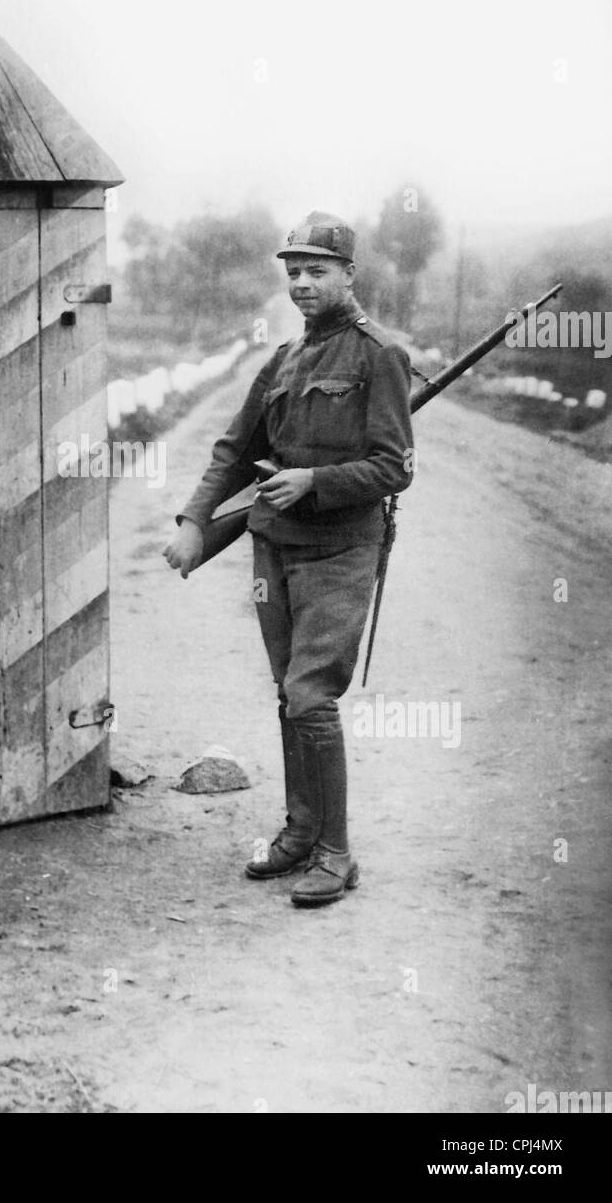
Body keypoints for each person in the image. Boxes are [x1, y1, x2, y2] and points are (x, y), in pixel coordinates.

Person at [163, 211, 415, 907]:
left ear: (349, 275)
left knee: (311, 695)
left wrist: (316, 483)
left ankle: (337, 854)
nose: (302, 283)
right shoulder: (283, 361)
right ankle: (301, 833)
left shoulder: (378, 356)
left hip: (339, 550)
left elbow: (395, 468)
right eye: (294, 272)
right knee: (289, 697)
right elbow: (234, 449)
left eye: (317, 271)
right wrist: (193, 522)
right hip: (274, 546)